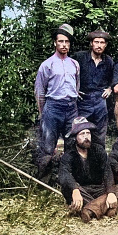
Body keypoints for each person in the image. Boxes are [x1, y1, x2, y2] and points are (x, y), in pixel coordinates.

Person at [59, 117, 118, 223]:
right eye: (82, 134)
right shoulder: (68, 155)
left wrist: (110, 193)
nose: (86, 137)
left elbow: (107, 171)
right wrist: (75, 190)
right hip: (82, 190)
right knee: (68, 192)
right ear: (75, 137)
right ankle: (106, 207)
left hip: (99, 189)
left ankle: (90, 210)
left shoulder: (98, 150)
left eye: (88, 133)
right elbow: (65, 174)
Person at [34, 23, 80, 179]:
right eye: (61, 41)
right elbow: (40, 92)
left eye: (67, 42)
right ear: (55, 42)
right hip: (53, 107)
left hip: (71, 108)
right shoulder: (46, 65)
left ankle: (68, 180)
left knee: (72, 144)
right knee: (47, 146)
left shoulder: (74, 64)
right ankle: (43, 182)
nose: (64, 45)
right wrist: (43, 114)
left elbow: (76, 87)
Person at [71, 28, 113, 148]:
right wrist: (74, 89)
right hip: (83, 100)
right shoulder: (79, 58)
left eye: (102, 43)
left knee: (99, 135)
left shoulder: (108, 61)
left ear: (105, 45)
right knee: (80, 132)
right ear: (91, 43)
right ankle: (79, 162)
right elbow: (67, 73)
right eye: (96, 42)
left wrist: (110, 89)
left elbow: (114, 79)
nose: (99, 45)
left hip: (100, 101)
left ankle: (98, 161)